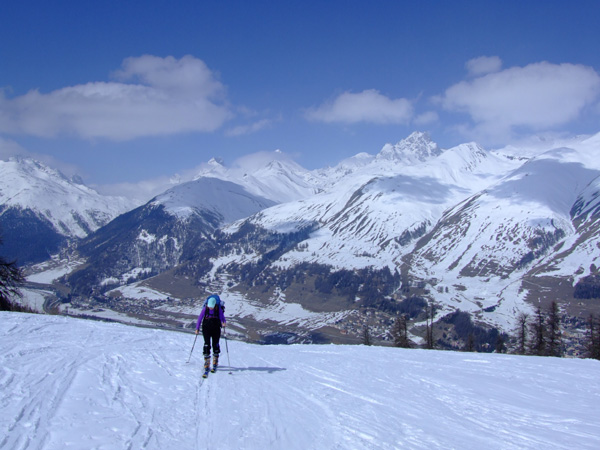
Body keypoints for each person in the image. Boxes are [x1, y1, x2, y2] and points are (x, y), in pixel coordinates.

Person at [195, 294, 226, 373]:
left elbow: (222, 317)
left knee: (215, 343)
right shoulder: (205, 309)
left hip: (215, 328)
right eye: (209, 306)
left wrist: (223, 322)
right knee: (207, 343)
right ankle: (207, 359)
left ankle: (215, 359)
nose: (210, 308)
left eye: (211, 306)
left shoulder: (218, 309)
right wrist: (197, 328)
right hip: (206, 328)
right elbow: (199, 318)